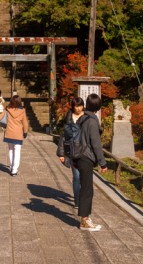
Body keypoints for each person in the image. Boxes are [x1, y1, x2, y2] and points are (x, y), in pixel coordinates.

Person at [74, 93, 108, 231]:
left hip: (78, 156)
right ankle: (84, 220)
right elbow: (96, 144)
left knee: (85, 187)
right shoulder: (92, 121)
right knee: (87, 189)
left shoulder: (82, 118)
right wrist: (103, 162)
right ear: (98, 107)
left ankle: (85, 218)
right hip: (86, 157)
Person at [57, 96, 84, 208]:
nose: (79, 108)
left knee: (85, 178)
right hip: (72, 151)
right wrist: (61, 153)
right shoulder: (69, 117)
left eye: (80, 105)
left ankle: (84, 198)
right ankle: (77, 201)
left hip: (85, 151)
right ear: (73, 106)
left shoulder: (87, 117)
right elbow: (64, 136)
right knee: (76, 176)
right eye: (76, 106)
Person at [3, 94, 28, 176]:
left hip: (9, 132)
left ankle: (11, 166)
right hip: (18, 133)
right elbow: (24, 122)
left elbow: (2, 118)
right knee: (17, 151)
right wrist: (25, 131)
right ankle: (14, 170)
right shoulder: (22, 110)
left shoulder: (7, 109)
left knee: (10, 150)